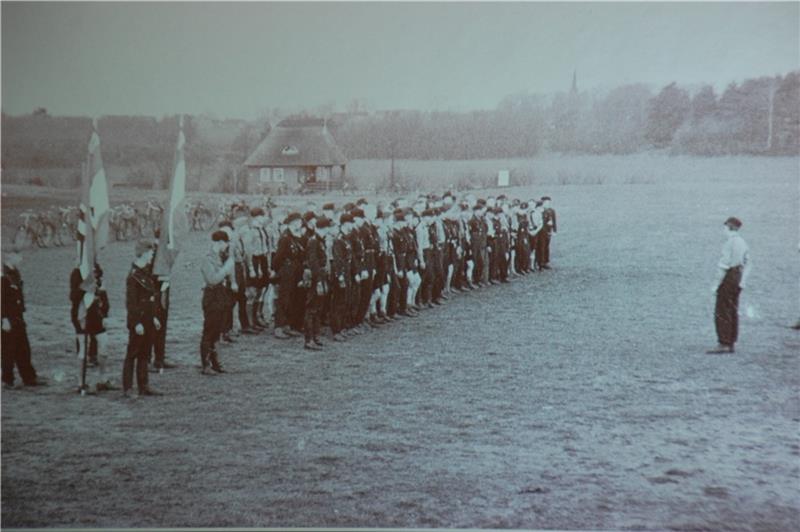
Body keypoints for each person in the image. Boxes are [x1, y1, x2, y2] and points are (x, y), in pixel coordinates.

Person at [123, 239, 162, 397]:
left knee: (145, 353)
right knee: (133, 353)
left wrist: (153, 318)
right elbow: (131, 303)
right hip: (138, 320)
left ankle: (143, 384)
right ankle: (128, 387)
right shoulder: (133, 277)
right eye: (151, 252)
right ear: (144, 253)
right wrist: (136, 323)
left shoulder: (145, 272)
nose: (152, 255)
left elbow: (149, 298)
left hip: (147, 318)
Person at [707, 217, 751, 354]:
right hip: (738, 276)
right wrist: (742, 282)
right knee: (732, 309)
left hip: (728, 277)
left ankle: (723, 342)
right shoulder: (742, 242)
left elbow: (723, 266)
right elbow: (749, 262)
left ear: (729, 228)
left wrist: (715, 285)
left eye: (724, 228)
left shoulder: (729, 243)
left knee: (722, 309)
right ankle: (731, 341)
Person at [2, 246, 43, 389]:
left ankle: (29, 377)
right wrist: (4, 319)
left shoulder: (15, 273)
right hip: (8, 318)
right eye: (18, 256)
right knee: (8, 350)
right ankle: (7, 380)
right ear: (9, 256)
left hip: (18, 316)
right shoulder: (3, 275)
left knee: (23, 348)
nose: (21, 259)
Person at [69, 261, 110, 393]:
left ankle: (103, 379)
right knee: (82, 348)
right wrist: (86, 286)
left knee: (104, 343)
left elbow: (103, 294)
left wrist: (105, 314)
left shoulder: (97, 269)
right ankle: (81, 382)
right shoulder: (77, 273)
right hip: (81, 314)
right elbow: (73, 296)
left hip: (96, 314)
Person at [200, 230, 236, 373]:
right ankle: (206, 364)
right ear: (220, 243)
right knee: (209, 330)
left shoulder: (222, 256)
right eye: (225, 244)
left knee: (217, 330)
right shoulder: (207, 259)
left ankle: (215, 361)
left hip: (221, 296)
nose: (226, 247)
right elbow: (212, 279)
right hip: (212, 296)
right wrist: (226, 269)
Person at [302, 216, 330, 350]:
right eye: (326, 228)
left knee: (318, 307)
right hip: (315, 278)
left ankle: (315, 335)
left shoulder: (319, 240)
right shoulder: (313, 242)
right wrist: (318, 281)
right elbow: (313, 263)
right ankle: (309, 339)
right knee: (311, 308)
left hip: (321, 276)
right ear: (321, 228)